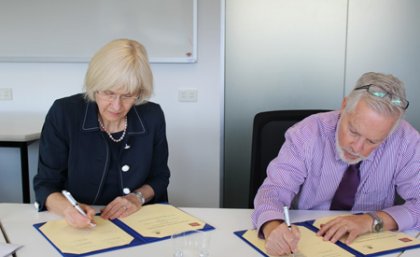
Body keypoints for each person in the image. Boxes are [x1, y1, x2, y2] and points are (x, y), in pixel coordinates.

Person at [252, 72, 419, 256]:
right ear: (344, 106)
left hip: (370, 242)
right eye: (353, 131)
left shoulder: (406, 141)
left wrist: (371, 221)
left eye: (372, 141)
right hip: (309, 238)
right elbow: (272, 192)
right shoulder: (306, 133)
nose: (357, 147)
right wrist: (272, 228)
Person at [33, 39, 170, 228]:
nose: (116, 105)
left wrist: (136, 197)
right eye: (108, 93)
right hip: (85, 223)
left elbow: (160, 176)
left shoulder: (152, 115)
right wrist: (68, 209)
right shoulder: (65, 113)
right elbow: (45, 184)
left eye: (128, 95)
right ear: (94, 85)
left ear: (140, 92)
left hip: (140, 219)